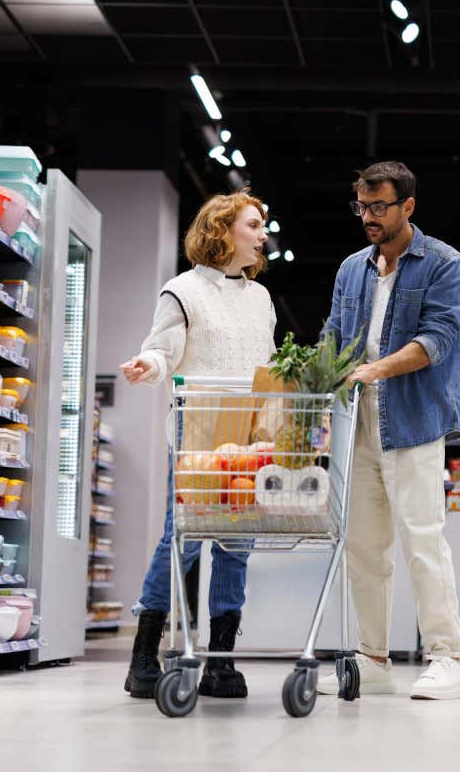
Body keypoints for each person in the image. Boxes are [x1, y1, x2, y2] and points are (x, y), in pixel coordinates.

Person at [317, 160, 460, 700]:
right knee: (364, 547)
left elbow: (438, 341)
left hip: (414, 423)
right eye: (362, 206)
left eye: (379, 207)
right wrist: (313, 378)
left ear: (408, 206)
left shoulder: (443, 263)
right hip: (358, 425)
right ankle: (373, 657)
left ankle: (448, 658)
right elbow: (334, 336)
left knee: (423, 542)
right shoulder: (351, 269)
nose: (369, 217)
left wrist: (376, 369)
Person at [117, 190, 276, 699]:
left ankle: (221, 662)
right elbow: (163, 350)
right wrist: (150, 365)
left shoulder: (261, 298)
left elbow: (268, 367)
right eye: (253, 225)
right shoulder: (182, 290)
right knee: (180, 539)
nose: (261, 234)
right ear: (222, 230)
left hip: (249, 439)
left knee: (238, 545)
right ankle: (144, 653)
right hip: (197, 434)